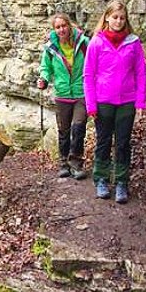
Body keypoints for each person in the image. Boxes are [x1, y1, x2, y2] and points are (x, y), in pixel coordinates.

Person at [83, 0, 146, 203]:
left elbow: (140, 72)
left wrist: (140, 102)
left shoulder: (133, 42)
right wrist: (91, 104)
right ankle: (101, 179)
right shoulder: (97, 42)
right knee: (103, 142)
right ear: (107, 18)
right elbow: (88, 74)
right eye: (115, 17)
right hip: (103, 101)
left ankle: (121, 182)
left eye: (122, 17)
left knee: (122, 143)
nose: (118, 21)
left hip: (127, 101)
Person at [37, 13, 91, 179]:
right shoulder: (51, 48)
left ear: (69, 25)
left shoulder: (84, 43)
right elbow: (45, 67)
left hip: (81, 92)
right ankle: (63, 163)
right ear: (54, 29)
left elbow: (93, 61)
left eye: (63, 26)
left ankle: (76, 163)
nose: (61, 30)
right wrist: (43, 79)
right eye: (57, 27)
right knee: (64, 130)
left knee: (79, 127)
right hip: (62, 94)